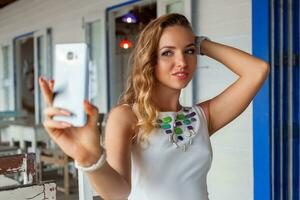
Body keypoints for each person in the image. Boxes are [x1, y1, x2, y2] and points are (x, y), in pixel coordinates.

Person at [39, 13, 269, 200]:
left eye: (189, 51)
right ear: (150, 60)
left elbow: (257, 70)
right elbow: (118, 193)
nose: (182, 61)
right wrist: (90, 159)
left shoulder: (202, 117)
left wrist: (201, 44)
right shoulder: (126, 116)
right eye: (167, 52)